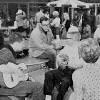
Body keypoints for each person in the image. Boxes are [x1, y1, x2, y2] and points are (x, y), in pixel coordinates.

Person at [0, 31, 44, 100]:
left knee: (32, 82)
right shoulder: (6, 51)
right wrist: (15, 71)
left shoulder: (8, 50)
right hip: (5, 88)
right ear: (17, 43)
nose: (23, 46)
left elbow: (11, 66)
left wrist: (27, 77)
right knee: (39, 87)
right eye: (22, 43)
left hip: (8, 84)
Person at [44, 25, 82, 100]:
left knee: (65, 81)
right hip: (64, 69)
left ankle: (60, 97)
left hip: (75, 72)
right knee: (48, 74)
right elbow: (59, 56)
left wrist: (68, 63)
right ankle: (48, 96)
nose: (66, 40)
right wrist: (59, 61)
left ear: (74, 39)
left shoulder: (80, 48)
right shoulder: (67, 47)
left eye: (68, 38)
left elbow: (80, 64)